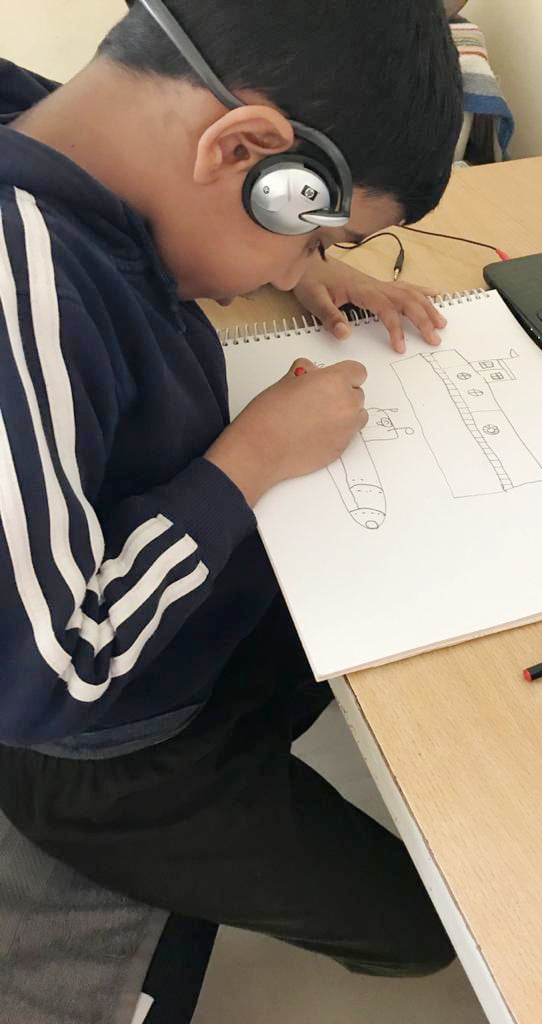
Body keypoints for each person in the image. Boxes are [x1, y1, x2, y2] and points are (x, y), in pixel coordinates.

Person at [0, 0, 462, 977]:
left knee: (422, 633)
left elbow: (163, 194)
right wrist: (251, 456)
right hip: (108, 749)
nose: (307, 260)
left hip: (193, 621)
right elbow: (49, 672)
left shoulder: (57, 133)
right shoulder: (22, 289)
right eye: (317, 237)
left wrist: (289, 271)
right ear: (243, 148)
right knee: (432, 929)